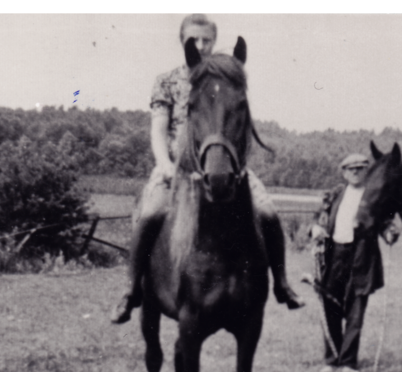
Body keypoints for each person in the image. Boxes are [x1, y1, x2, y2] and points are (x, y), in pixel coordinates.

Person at [112, 14, 302, 325]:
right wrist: (164, 165)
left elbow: (237, 124)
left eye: (206, 40)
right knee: (150, 213)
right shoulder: (167, 80)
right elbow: (158, 130)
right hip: (176, 168)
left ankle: (281, 284)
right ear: (183, 42)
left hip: (224, 167)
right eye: (194, 40)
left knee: (267, 212)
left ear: (214, 41)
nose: (201, 46)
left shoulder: (227, 76)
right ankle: (132, 290)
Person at [310, 153, 397, 372]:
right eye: (350, 168)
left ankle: (348, 363)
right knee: (329, 306)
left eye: (360, 168)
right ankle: (331, 360)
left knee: (355, 310)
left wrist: (389, 233)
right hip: (334, 256)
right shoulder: (335, 194)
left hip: (362, 256)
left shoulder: (374, 196)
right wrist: (315, 229)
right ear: (343, 172)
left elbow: (385, 223)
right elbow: (317, 218)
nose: (355, 172)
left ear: (366, 171)